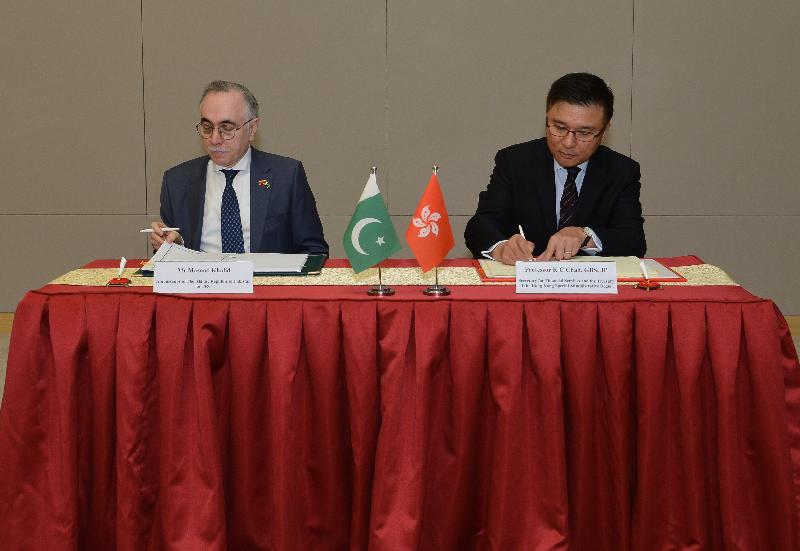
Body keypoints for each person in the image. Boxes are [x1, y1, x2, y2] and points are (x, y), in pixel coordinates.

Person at [464, 72, 645, 264]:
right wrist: (500, 247)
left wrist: (584, 236)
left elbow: (634, 241)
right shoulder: (515, 161)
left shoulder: (621, 171)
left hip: (589, 288)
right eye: (559, 128)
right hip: (524, 282)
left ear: (605, 130)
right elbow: (480, 225)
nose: (568, 142)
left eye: (584, 133)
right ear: (547, 119)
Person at [150, 80, 328, 255]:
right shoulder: (177, 181)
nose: (214, 139)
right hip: (201, 283)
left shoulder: (286, 176)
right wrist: (172, 245)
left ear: (252, 129)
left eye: (227, 128)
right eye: (207, 127)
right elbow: (167, 260)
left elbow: (314, 251)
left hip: (265, 283)